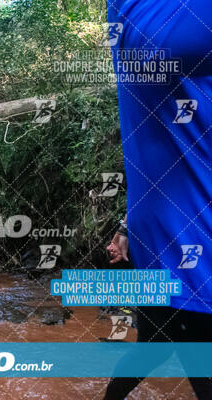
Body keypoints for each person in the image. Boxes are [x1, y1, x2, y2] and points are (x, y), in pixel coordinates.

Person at [103, 1, 212, 398]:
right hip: (188, 250)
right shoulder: (144, 19)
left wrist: (122, 225)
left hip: (164, 241)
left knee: (152, 344)